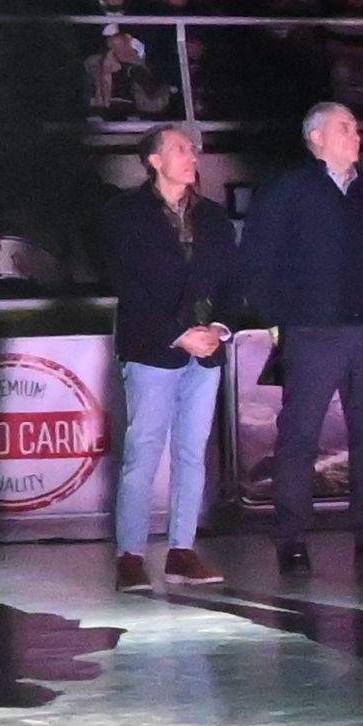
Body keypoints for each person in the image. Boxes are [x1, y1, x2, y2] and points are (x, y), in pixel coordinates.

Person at [233, 98, 363, 572]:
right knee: (300, 435)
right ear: (316, 138)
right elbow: (257, 255)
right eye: (345, 128)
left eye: (356, 128)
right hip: (314, 330)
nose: (357, 136)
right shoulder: (289, 187)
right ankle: (291, 535)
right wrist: (276, 318)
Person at [102, 117, 236, 588]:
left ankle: (182, 549)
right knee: (144, 451)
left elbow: (231, 283)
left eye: (193, 150)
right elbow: (129, 286)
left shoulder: (215, 217)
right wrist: (178, 334)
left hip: (206, 350)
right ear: (154, 160)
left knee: (191, 452)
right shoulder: (125, 214)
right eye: (181, 149)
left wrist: (218, 327)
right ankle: (131, 555)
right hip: (152, 348)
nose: (192, 157)